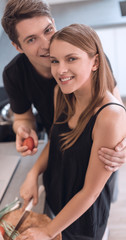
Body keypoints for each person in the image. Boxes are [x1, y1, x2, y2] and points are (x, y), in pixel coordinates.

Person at [16, 23, 126, 240]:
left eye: (71, 59)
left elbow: (90, 192)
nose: (60, 70)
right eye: (55, 61)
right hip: (55, 201)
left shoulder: (109, 116)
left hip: (83, 220)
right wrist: (33, 172)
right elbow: (57, 143)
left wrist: (48, 231)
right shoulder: (61, 94)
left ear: (95, 61)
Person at [1, 0, 126, 172]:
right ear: (18, 47)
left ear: (53, 23)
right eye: (31, 40)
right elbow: (23, 117)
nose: (46, 45)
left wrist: (123, 139)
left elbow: (116, 104)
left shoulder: (86, 56)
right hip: (59, 146)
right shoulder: (14, 74)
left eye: (48, 30)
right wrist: (24, 130)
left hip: (99, 147)